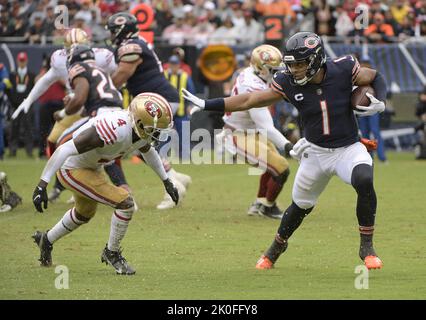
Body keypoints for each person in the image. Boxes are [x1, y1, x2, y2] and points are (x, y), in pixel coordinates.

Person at [183, 32, 386, 270]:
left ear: (316, 60)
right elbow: (250, 100)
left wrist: (379, 100)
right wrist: (209, 104)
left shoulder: (344, 68)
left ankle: (367, 246)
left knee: (363, 179)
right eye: (291, 65)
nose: (295, 70)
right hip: (315, 153)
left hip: (348, 148)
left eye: (300, 64)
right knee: (300, 206)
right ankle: (276, 247)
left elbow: (376, 76)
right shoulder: (287, 81)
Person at [31, 51, 179, 274]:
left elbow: (147, 151)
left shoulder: (137, 131)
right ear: (140, 122)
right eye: (154, 129)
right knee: (125, 203)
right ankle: (112, 252)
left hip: (90, 167)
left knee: (84, 213)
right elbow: (65, 148)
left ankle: (46, 240)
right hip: (72, 168)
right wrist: (42, 184)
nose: (157, 134)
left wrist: (167, 182)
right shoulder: (114, 129)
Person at [11, 28, 128, 204]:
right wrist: (29, 100)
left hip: (95, 107)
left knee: (103, 145)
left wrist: (92, 95)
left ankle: (121, 186)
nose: (73, 52)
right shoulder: (59, 59)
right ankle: (63, 183)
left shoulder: (103, 56)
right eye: (69, 49)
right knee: (54, 140)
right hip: (76, 107)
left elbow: (119, 77)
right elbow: (47, 79)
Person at [106, 12, 191, 210]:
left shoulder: (131, 46)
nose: (110, 35)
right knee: (139, 146)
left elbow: (123, 73)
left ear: (120, 30)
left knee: (139, 144)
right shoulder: (135, 42)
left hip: (159, 100)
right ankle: (176, 177)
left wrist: (102, 89)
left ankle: (173, 185)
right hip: (157, 99)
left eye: (112, 31)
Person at [220, 44, 292, 219]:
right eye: (272, 70)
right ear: (261, 68)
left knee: (272, 166)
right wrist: (290, 147)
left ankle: (260, 203)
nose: (276, 74)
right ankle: (268, 206)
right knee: (281, 168)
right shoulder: (252, 86)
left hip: (251, 131)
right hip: (238, 135)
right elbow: (267, 127)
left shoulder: (251, 73)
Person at [164, 55, 196, 160]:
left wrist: (190, 105)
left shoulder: (185, 76)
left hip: (182, 111)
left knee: (184, 133)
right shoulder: (163, 75)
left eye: (175, 64)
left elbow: (191, 92)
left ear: (179, 65)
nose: (173, 66)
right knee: (165, 134)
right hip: (166, 111)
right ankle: (163, 155)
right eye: (171, 64)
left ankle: (185, 155)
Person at [8, 52, 35, 157]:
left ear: (26, 61)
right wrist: (12, 101)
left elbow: (34, 89)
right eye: (20, 61)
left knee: (28, 128)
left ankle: (29, 151)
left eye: (23, 61)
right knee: (14, 128)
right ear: (17, 61)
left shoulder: (31, 75)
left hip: (27, 105)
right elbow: (8, 90)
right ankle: (12, 150)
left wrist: (29, 102)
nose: (22, 63)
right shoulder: (12, 75)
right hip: (15, 105)